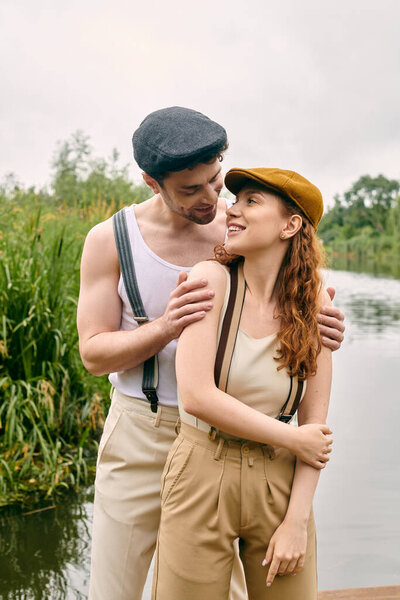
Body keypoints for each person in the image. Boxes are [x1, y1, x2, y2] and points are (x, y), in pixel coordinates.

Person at [77, 107, 345, 600]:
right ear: (152, 183)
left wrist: (319, 325)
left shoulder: (241, 224)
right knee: (115, 588)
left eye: (215, 180)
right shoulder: (111, 240)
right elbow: (93, 355)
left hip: (234, 436)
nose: (213, 200)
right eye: (190, 190)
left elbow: (293, 285)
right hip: (145, 427)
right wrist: (165, 327)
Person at [152, 167, 333, 600]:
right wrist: (293, 440)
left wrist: (296, 522)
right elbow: (196, 396)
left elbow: (316, 428)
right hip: (201, 471)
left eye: (251, 201)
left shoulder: (315, 301)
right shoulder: (210, 280)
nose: (230, 210)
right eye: (235, 200)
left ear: (290, 225)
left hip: (280, 481)